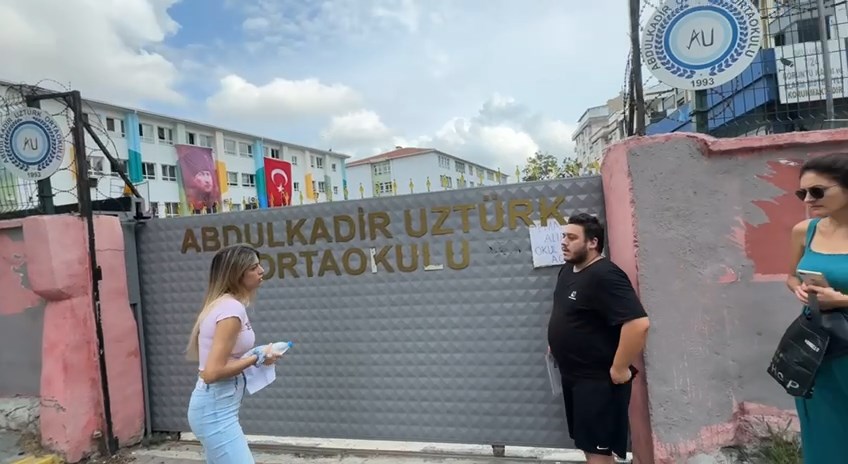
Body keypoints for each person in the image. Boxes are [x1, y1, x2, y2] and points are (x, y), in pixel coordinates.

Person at [547, 213, 651, 464]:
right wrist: (555, 343)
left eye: (572, 237)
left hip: (597, 382)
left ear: (593, 242)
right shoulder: (567, 270)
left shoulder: (606, 275)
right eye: (564, 236)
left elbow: (638, 323)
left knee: (598, 453)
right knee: (587, 445)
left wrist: (620, 367)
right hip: (574, 377)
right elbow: (566, 312)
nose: (564, 242)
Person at [185, 245, 280, 463]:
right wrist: (257, 357)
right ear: (237, 274)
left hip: (217, 407)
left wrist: (258, 353)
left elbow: (228, 358)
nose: (262, 271)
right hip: (215, 412)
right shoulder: (231, 310)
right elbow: (211, 372)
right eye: (254, 267)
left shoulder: (226, 305)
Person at [785, 154, 848, 464]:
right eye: (803, 193)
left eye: (817, 191)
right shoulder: (805, 231)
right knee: (824, 428)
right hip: (817, 347)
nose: (808, 199)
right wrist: (798, 287)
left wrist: (842, 301)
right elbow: (791, 275)